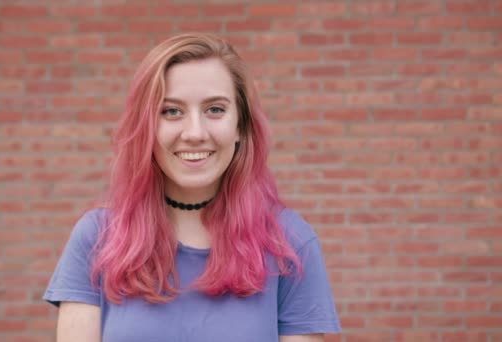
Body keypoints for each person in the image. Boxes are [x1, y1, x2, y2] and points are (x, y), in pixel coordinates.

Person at [44, 33, 341, 341]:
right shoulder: (96, 238)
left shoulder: (290, 244)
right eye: (171, 111)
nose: (195, 133)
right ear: (146, 127)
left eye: (215, 109)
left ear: (241, 126)